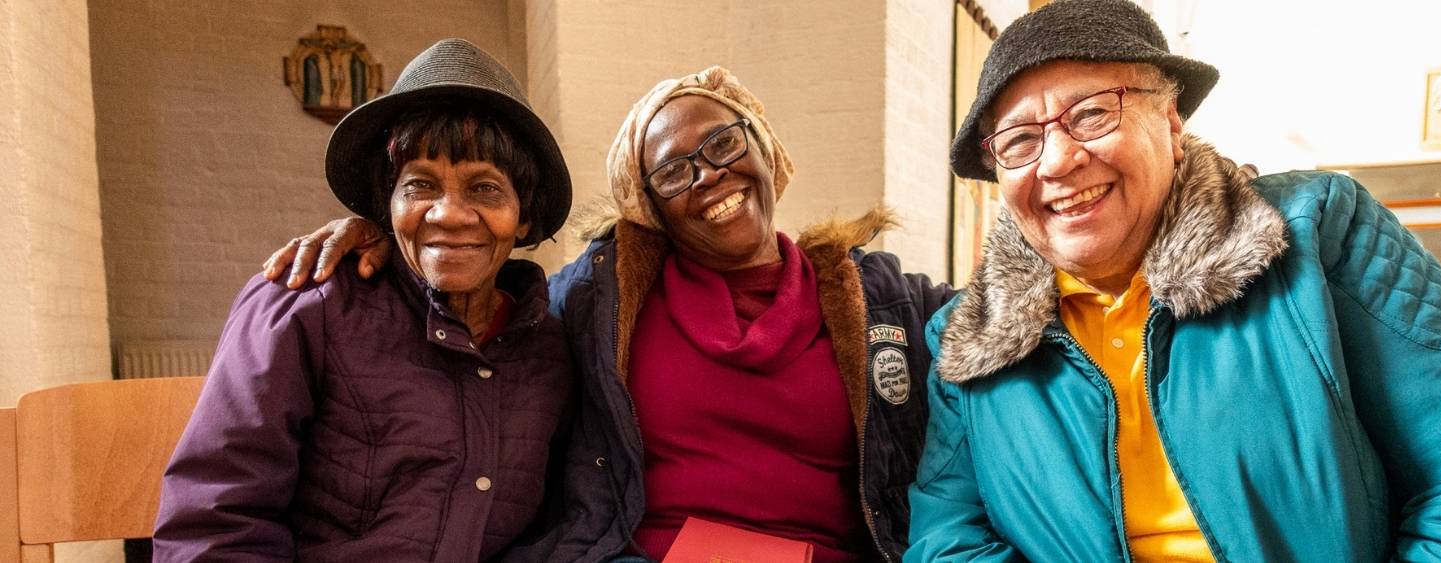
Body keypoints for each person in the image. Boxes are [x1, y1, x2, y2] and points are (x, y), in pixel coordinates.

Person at [265, 66, 954, 562]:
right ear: (649, 207)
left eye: (723, 144)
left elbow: (993, 322)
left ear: (765, 146)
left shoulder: (882, 299)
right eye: (675, 170)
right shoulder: (599, 299)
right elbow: (477, 269)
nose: (708, 174)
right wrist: (387, 232)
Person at [908, 0, 1441, 560]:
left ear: (1170, 124)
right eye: (1020, 140)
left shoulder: (1316, 234)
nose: (1058, 161)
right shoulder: (968, 341)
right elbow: (947, 538)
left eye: (1091, 113)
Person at [152, 39, 575, 562]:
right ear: (387, 205)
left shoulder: (550, 349)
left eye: (485, 189)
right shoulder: (306, 307)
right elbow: (214, 528)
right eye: (420, 185)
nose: (448, 214)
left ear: (525, 216)